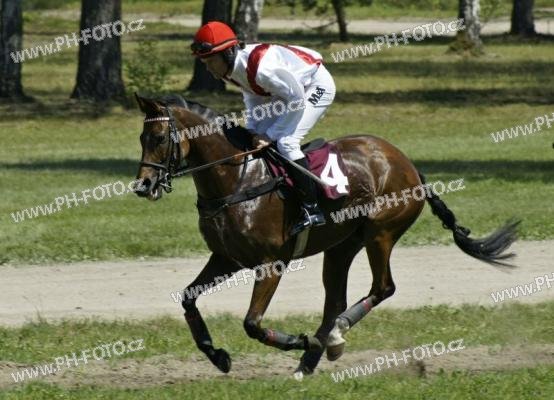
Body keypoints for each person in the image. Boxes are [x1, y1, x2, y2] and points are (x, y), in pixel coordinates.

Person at [191, 21, 336, 234]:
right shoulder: (232, 68)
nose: (208, 67)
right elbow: (252, 96)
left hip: (315, 86)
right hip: (286, 91)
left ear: (228, 53)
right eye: (204, 62)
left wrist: (270, 135)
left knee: (286, 142)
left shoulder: (262, 69)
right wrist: (253, 130)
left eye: (211, 61)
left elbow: (296, 101)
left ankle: (312, 209)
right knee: (256, 139)